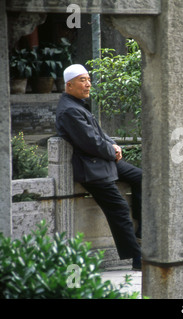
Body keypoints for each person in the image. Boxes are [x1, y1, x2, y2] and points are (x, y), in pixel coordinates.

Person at [56, 64, 142, 270]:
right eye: (82, 80)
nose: (88, 84)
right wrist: (112, 151)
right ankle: (137, 258)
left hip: (102, 160)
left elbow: (99, 134)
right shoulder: (69, 110)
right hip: (91, 169)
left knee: (141, 177)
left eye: (88, 80)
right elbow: (90, 143)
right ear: (69, 85)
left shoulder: (77, 104)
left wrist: (113, 145)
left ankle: (142, 230)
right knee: (119, 208)